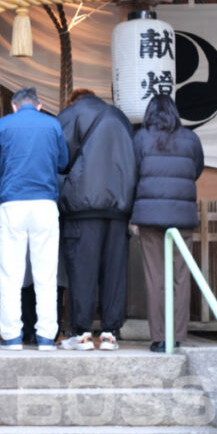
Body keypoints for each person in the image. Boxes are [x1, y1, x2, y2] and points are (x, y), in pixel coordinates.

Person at [0, 87, 68, 351]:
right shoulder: (52, 124)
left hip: (13, 202)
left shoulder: (3, 124)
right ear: (40, 105)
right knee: (46, 274)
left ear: (13, 106)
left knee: (11, 274)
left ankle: (11, 336)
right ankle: (46, 337)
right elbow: (62, 162)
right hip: (45, 203)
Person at [56, 88, 137, 352]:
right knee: (114, 271)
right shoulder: (120, 118)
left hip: (82, 205)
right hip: (119, 207)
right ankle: (110, 333)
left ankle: (81, 332)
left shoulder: (72, 115)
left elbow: (59, 158)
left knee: (82, 271)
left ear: (74, 101)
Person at [130, 94, 204, 353]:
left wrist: (132, 216)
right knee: (180, 278)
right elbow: (196, 170)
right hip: (182, 217)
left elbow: (132, 174)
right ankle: (177, 336)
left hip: (149, 217)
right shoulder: (191, 139)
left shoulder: (140, 138)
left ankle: (159, 338)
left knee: (155, 277)